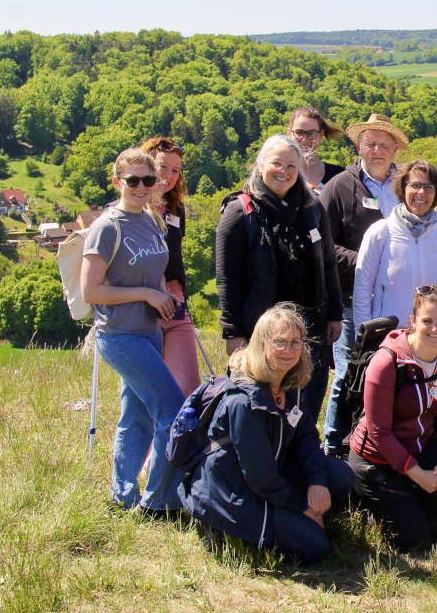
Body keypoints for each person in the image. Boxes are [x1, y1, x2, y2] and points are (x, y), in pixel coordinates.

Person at [178, 304, 355, 564]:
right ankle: (230, 533)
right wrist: (303, 505)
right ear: (262, 344)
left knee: (339, 475)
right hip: (232, 492)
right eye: (280, 342)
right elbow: (260, 478)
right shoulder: (242, 401)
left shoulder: (289, 385)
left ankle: (293, 520)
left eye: (296, 342)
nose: (289, 350)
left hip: (270, 475)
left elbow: (307, 438)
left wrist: (317, 482)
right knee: (315, 546)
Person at [80, 148, 185, 513]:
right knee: (173, 409)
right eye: (133, 180)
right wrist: (145, 294)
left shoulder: (152, 220)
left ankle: (122, 496)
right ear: (117, 182)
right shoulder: (106, 228)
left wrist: (161, 295)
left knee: (137, 415)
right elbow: (90, 291)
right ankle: (158, 501)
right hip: (120, 335)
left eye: (148, 180)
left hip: (149, 331)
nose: (142, 187)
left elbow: (156, 267)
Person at [215, 134, 343, 429]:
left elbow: (327, 263)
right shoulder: (240, 211)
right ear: (260, 165)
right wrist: (233, 332)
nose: (283, 171)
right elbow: (227, 279)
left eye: (291, 165)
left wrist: (334, 313)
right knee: (263, 409)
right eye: (276, 163)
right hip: (261, 330)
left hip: (310, 326)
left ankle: (304, 466)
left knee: (306, 407)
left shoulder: (312, 208)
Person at [347, 286, 437, 551]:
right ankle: (370, 502)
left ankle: (413, 497)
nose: (434, 328)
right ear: (413, 321)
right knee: (416, 540)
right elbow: (378, 432)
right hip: (377, 457)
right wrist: (416, 473)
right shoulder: (387, 363)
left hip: (418, 445)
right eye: (427, 321)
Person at [319, 113, 410, 455]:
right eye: (370, 143)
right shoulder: (340, 186)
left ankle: (375, 441)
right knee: (348, 372)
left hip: (395, 299)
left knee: (390, 372)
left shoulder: (405, 186)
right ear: (358, 146)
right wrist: (364, 262)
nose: (377, 150)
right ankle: (333, 444)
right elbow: (324, 244)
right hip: (349, 297)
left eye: (384, 144)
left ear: (395, 148)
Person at [353, 159, 437, 350]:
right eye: (415, 185)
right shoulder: (380, 232)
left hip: (430, 339)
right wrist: (363, 338)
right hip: (385, 339)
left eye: (428, 187)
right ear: (402, 188)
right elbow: (362, 289)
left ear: (436, 193)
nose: (421, 193)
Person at [138, 137, 201, 397]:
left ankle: (182, 438)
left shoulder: (176, 209)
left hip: (175, 304)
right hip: (141, 308)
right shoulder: (131, 209)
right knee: (149, 392)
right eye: (163, 167)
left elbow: (176, 255)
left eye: (175, 170)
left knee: (189, 387)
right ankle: (154, 439)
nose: (169, 176)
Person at [286, 106, 345, 192]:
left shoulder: (338, 176)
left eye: (311, 133)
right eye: (299, 132)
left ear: (321, 135)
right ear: (289, 133)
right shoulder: (280, 174)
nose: (304, 139)